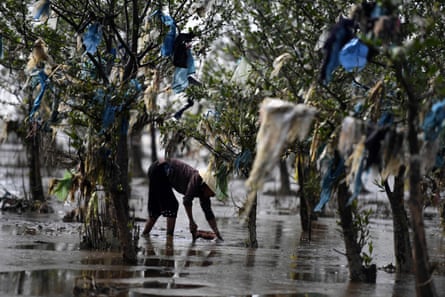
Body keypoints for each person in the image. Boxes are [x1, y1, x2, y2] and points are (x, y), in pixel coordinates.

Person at [142, 158, 223, 241]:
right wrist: (191, 221)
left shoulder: (204, 193)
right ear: (207, 186)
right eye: (212, 192)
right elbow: (187, 201)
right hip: (159, 169)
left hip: (159, 170)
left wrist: (217, 233)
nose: (213, 195)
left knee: (156, 210)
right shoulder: (196, 179)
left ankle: (144, 234)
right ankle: (169, 238)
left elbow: (208, 212)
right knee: (172, 206)